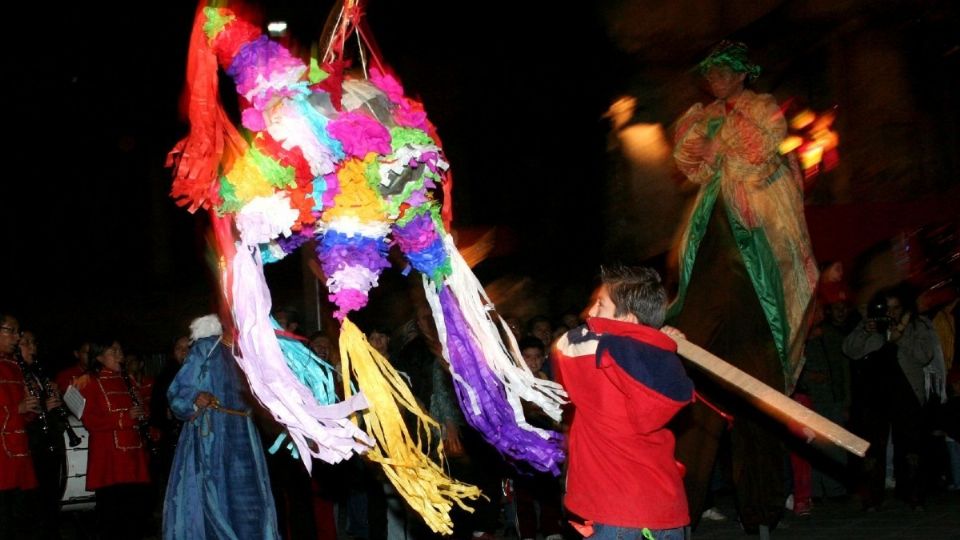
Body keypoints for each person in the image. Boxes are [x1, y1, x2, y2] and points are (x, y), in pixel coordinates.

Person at [669, 40, 819, 533]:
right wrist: (713, 135)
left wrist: (722, 135)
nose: (714, 81)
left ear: (740, 74)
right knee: (693, 366)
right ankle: (679, 511)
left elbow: (758, 149)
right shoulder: (702, 113)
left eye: (722, 72)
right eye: (709, 74)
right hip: (715, 226)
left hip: (756, 230)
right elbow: (689, 159)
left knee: (759, 381)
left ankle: (762, 510)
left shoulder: (760, 107)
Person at [552, 265, 694, 540]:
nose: (591, 313)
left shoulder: (595, 355)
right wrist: (659, 341)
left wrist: (653, 340)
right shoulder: (664, 360)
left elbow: (565, 344)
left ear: (627, 319)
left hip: (616, 513)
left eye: (601, 305)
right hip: (667, 510)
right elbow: (643, 350)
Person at [163, 314, 279, 539]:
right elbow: (177, 390)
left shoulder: (253, 354)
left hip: (245, 435)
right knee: (214, 497)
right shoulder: (206, 348)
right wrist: (195, 397)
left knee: (251, 499)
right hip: (212, 435)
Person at [75, 338, 152, 539]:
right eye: (114, 351)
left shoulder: (127, 380)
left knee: (135, 515)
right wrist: (124, 418)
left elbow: (143, 409)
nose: (121, 355)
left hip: (134, 458)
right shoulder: (88, 381)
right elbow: (90, 421)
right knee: (112, 517)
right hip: (109, 461)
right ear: (99, 356)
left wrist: (143, 414)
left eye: (121, 351)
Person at [0, 312, 40, 540]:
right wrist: (18, 409)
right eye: (11, 331)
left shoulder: (14, 366)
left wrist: (31, 411)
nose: (16, 337)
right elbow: (14, 409)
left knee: (19, 520)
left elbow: (21, 414)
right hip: (2, 457)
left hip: (18, 452)